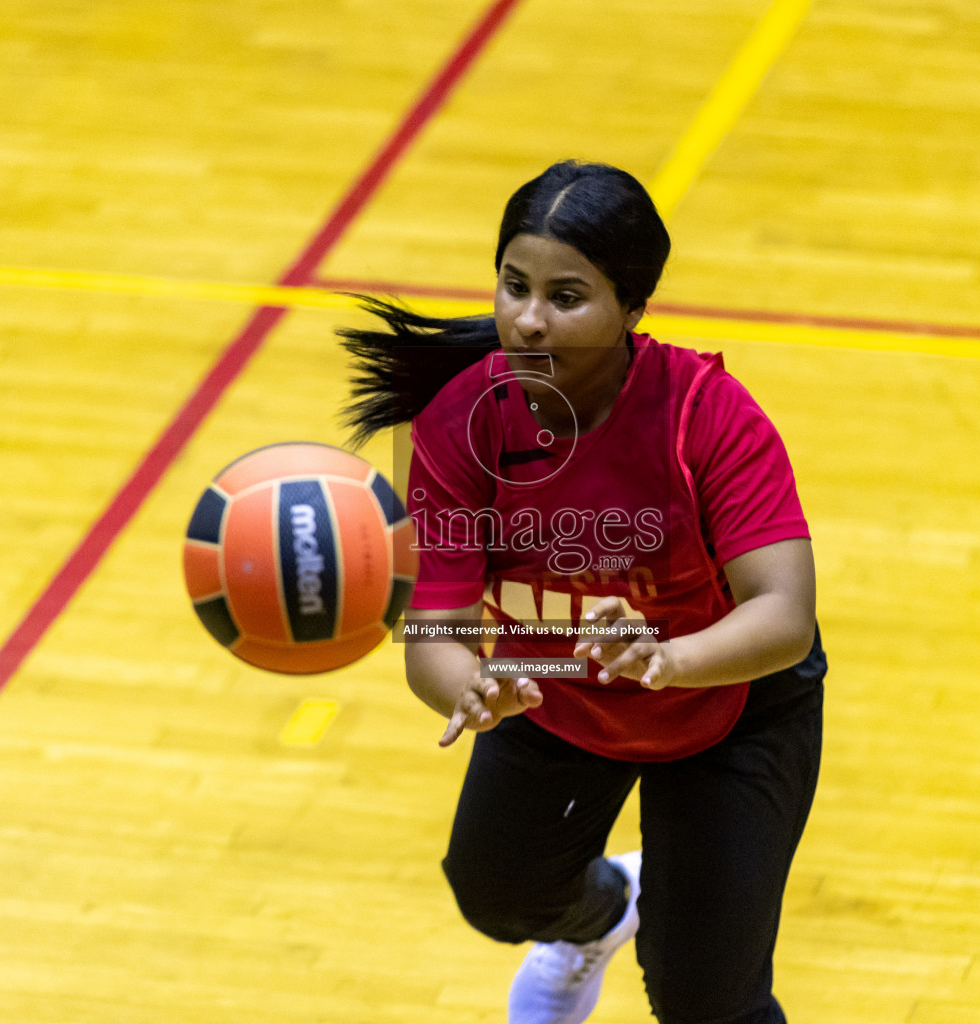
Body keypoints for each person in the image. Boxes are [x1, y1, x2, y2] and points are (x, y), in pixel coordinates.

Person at [339, 160, 826, 1024]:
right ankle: (603, 915)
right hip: (553, 682)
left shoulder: (707, 416)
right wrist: (475, 687)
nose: (527, 320)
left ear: (632, 310)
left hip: (730, 697)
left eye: (566, 297)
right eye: (514, 286)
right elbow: (435, 634)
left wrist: (667, 659)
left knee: (704, 998)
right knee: (495, 891)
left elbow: (784, 618)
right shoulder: (457, 425)